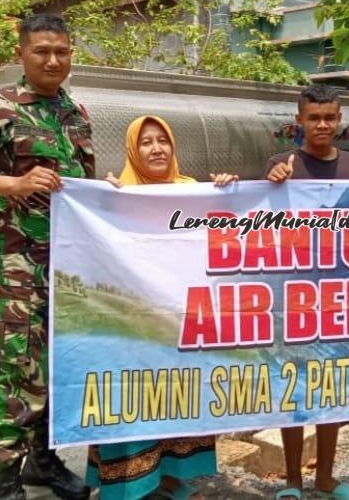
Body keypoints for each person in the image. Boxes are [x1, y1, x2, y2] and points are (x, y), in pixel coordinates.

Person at [0, 14, 92, 500]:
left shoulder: (75, 113)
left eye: (62, 51)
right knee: (19, 365)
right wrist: (16, 183)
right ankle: (7, 475)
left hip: (69, 265)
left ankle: (43, 462)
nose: (53, 60)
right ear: (22, 53)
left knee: (59, 365)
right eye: (42, 51)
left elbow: (81, 189)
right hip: (22, 263)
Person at [265, 83, 349, 500]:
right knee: (295, 389)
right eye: (314, 118)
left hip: (341, 300)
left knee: (332, 391)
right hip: (294, 298)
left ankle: (325, 478)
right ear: (299, 121)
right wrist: (269, 183)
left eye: (329, 118)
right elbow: (258, 221)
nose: (321, 124)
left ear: (339, 122)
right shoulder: (279, 165)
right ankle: (292, 481)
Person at [91, 115, 237, 500]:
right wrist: (102, 201)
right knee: (133, 398)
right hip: (132, 325)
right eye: (146, 142)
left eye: (162, 141)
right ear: (132, 150)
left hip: (181, 322)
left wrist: (226, 192)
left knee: (176, 397)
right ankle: (130, 484)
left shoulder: (192, 191)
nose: (156, 149)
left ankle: (172, 477)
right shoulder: (120, 191)